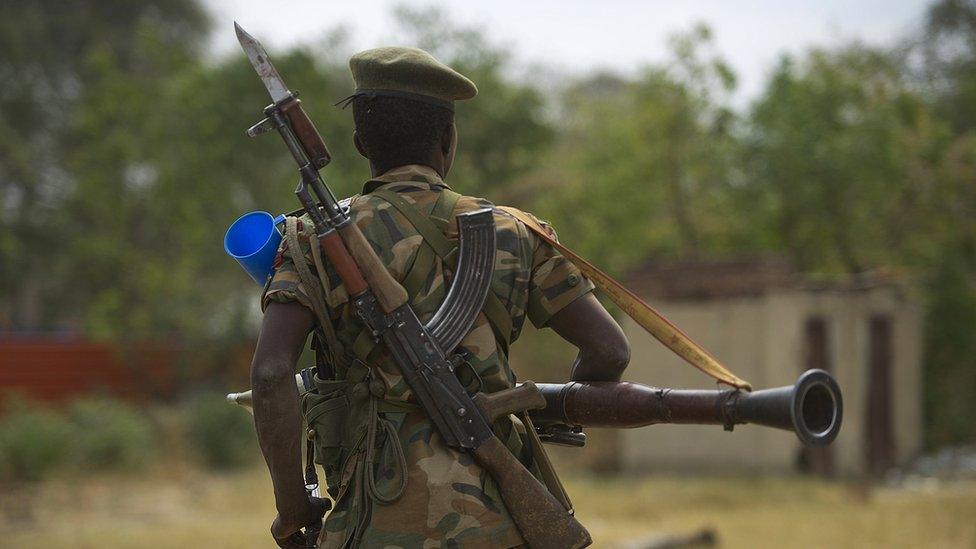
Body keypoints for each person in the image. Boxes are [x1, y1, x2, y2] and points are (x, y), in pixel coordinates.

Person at [249, 46, 631, 548]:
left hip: (371, 522)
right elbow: (609, 350)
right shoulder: (513, 232)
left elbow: (272, 372)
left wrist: (293, 506)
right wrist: (540, 411)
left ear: (361, 142)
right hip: (499, 523)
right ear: (448, 140)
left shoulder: (311, 240)